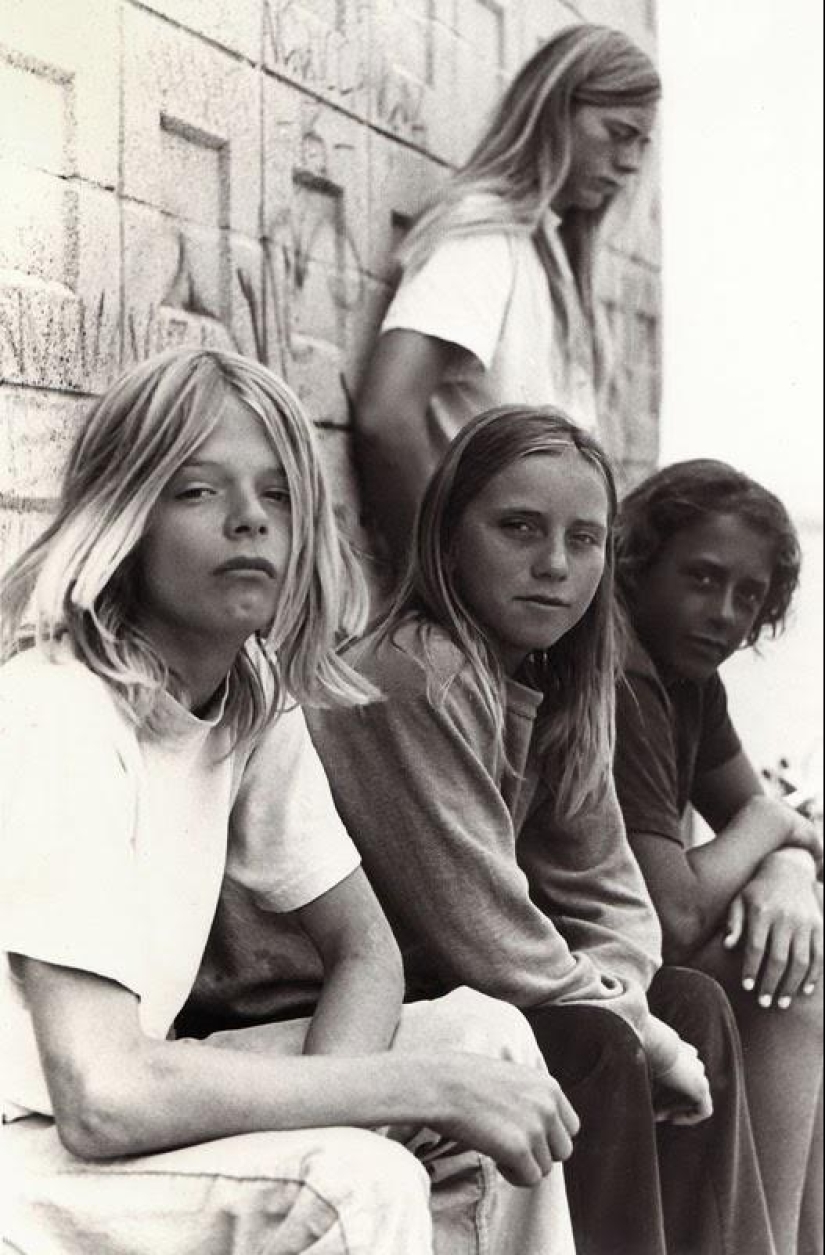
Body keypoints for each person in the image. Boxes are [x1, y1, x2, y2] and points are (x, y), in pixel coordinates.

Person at [0, 350, 580, 1255]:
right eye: (197, 492)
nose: (248, 522)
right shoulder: (57, 710)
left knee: (482, 1037)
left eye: (276, 496)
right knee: (357, 1185)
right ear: (124, 520)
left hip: (116, 1105)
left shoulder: (246, 693)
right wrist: (388, 1105)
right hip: (26, 1150)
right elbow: (101, 1097)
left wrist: (347, 1113)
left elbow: (365, 949)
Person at [306, 406, 778, 1255]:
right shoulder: (413, 677)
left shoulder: (557, 677)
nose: (555, 565)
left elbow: (611, 895)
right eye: (518, 527)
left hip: (451, 983)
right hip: (320, 1003)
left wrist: (641, 1010)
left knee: (688, 1000)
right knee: (595, 1038)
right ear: (449, 536)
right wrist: (635, 1028)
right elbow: (485, 932)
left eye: (584, 538)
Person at [613, 459, 823, 1255]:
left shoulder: (686, 676)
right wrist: (772, 824)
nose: (723, 614)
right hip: (578, 962)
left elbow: (770, 825)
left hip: (636, 947)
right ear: (637, 562)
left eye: (747, 595)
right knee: (798, 974)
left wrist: (787, 865)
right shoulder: (624, 676)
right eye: (700, 578)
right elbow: (673, 913)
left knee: (803, 940)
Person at [354, 23, 660, 561]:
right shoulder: (485, 238)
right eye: (617, 132)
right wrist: (441, 581)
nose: (631, 163)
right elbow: (386, 418)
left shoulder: (549, 253)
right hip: (481, 598)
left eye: (641, 142)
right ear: (555, 112)